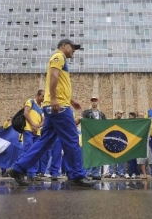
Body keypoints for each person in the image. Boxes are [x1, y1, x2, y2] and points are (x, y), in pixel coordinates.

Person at [7, 39, 96, 187]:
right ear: (63, 46)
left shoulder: (61, 59)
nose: (74, 50)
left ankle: (18, 169)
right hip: (58, 107)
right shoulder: (58, 56)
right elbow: (53, 77)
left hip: (56, 106)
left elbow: (59, 82)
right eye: (72, 47)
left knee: (44, 142)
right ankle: (77, 175)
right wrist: (55, 99)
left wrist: (72, 100)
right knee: (72, 139)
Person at [22, 89, 45, 180]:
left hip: (37, 133)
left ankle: (32, 173)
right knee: (28, 150)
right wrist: (32, 125)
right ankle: (19, 170)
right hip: (28, 130)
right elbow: (26, 113)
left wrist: (38, 126)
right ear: (38, 95)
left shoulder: (42, 108)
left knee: (35, 152)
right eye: (42, 96)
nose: (44, 98)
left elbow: (44, 120)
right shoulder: (30, 101)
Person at [82, 97, 106, 180]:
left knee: (97, 155)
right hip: (89, 136)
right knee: (89, 155)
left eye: (95, 101)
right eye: (92, 101)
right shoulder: (86, 113)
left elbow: (105, 125)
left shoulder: (102, 114)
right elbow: (84, 123)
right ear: (91, 103)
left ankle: (95, 173)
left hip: (99, 136)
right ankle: (87, 172)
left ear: (98, 102)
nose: (94, 103)